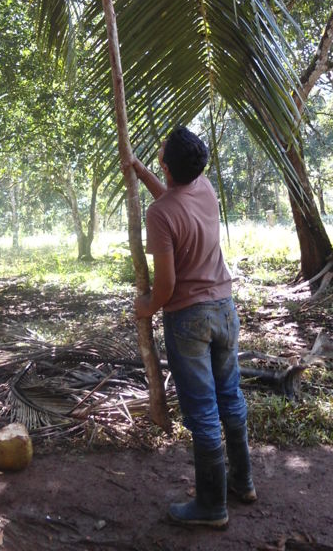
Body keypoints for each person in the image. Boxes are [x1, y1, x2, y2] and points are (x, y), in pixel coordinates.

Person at [132, 126, 255, 529]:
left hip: (190, 320)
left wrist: (146, 307)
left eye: (160, 152)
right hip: (224, 309)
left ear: (166, 167)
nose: (159, 150)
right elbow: (172, 199)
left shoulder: (159, 215)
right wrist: (138, 169)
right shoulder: (203, 187)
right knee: (230, 397)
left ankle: (211, 506)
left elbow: (165, 286)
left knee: (203, 411)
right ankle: (243, 482)